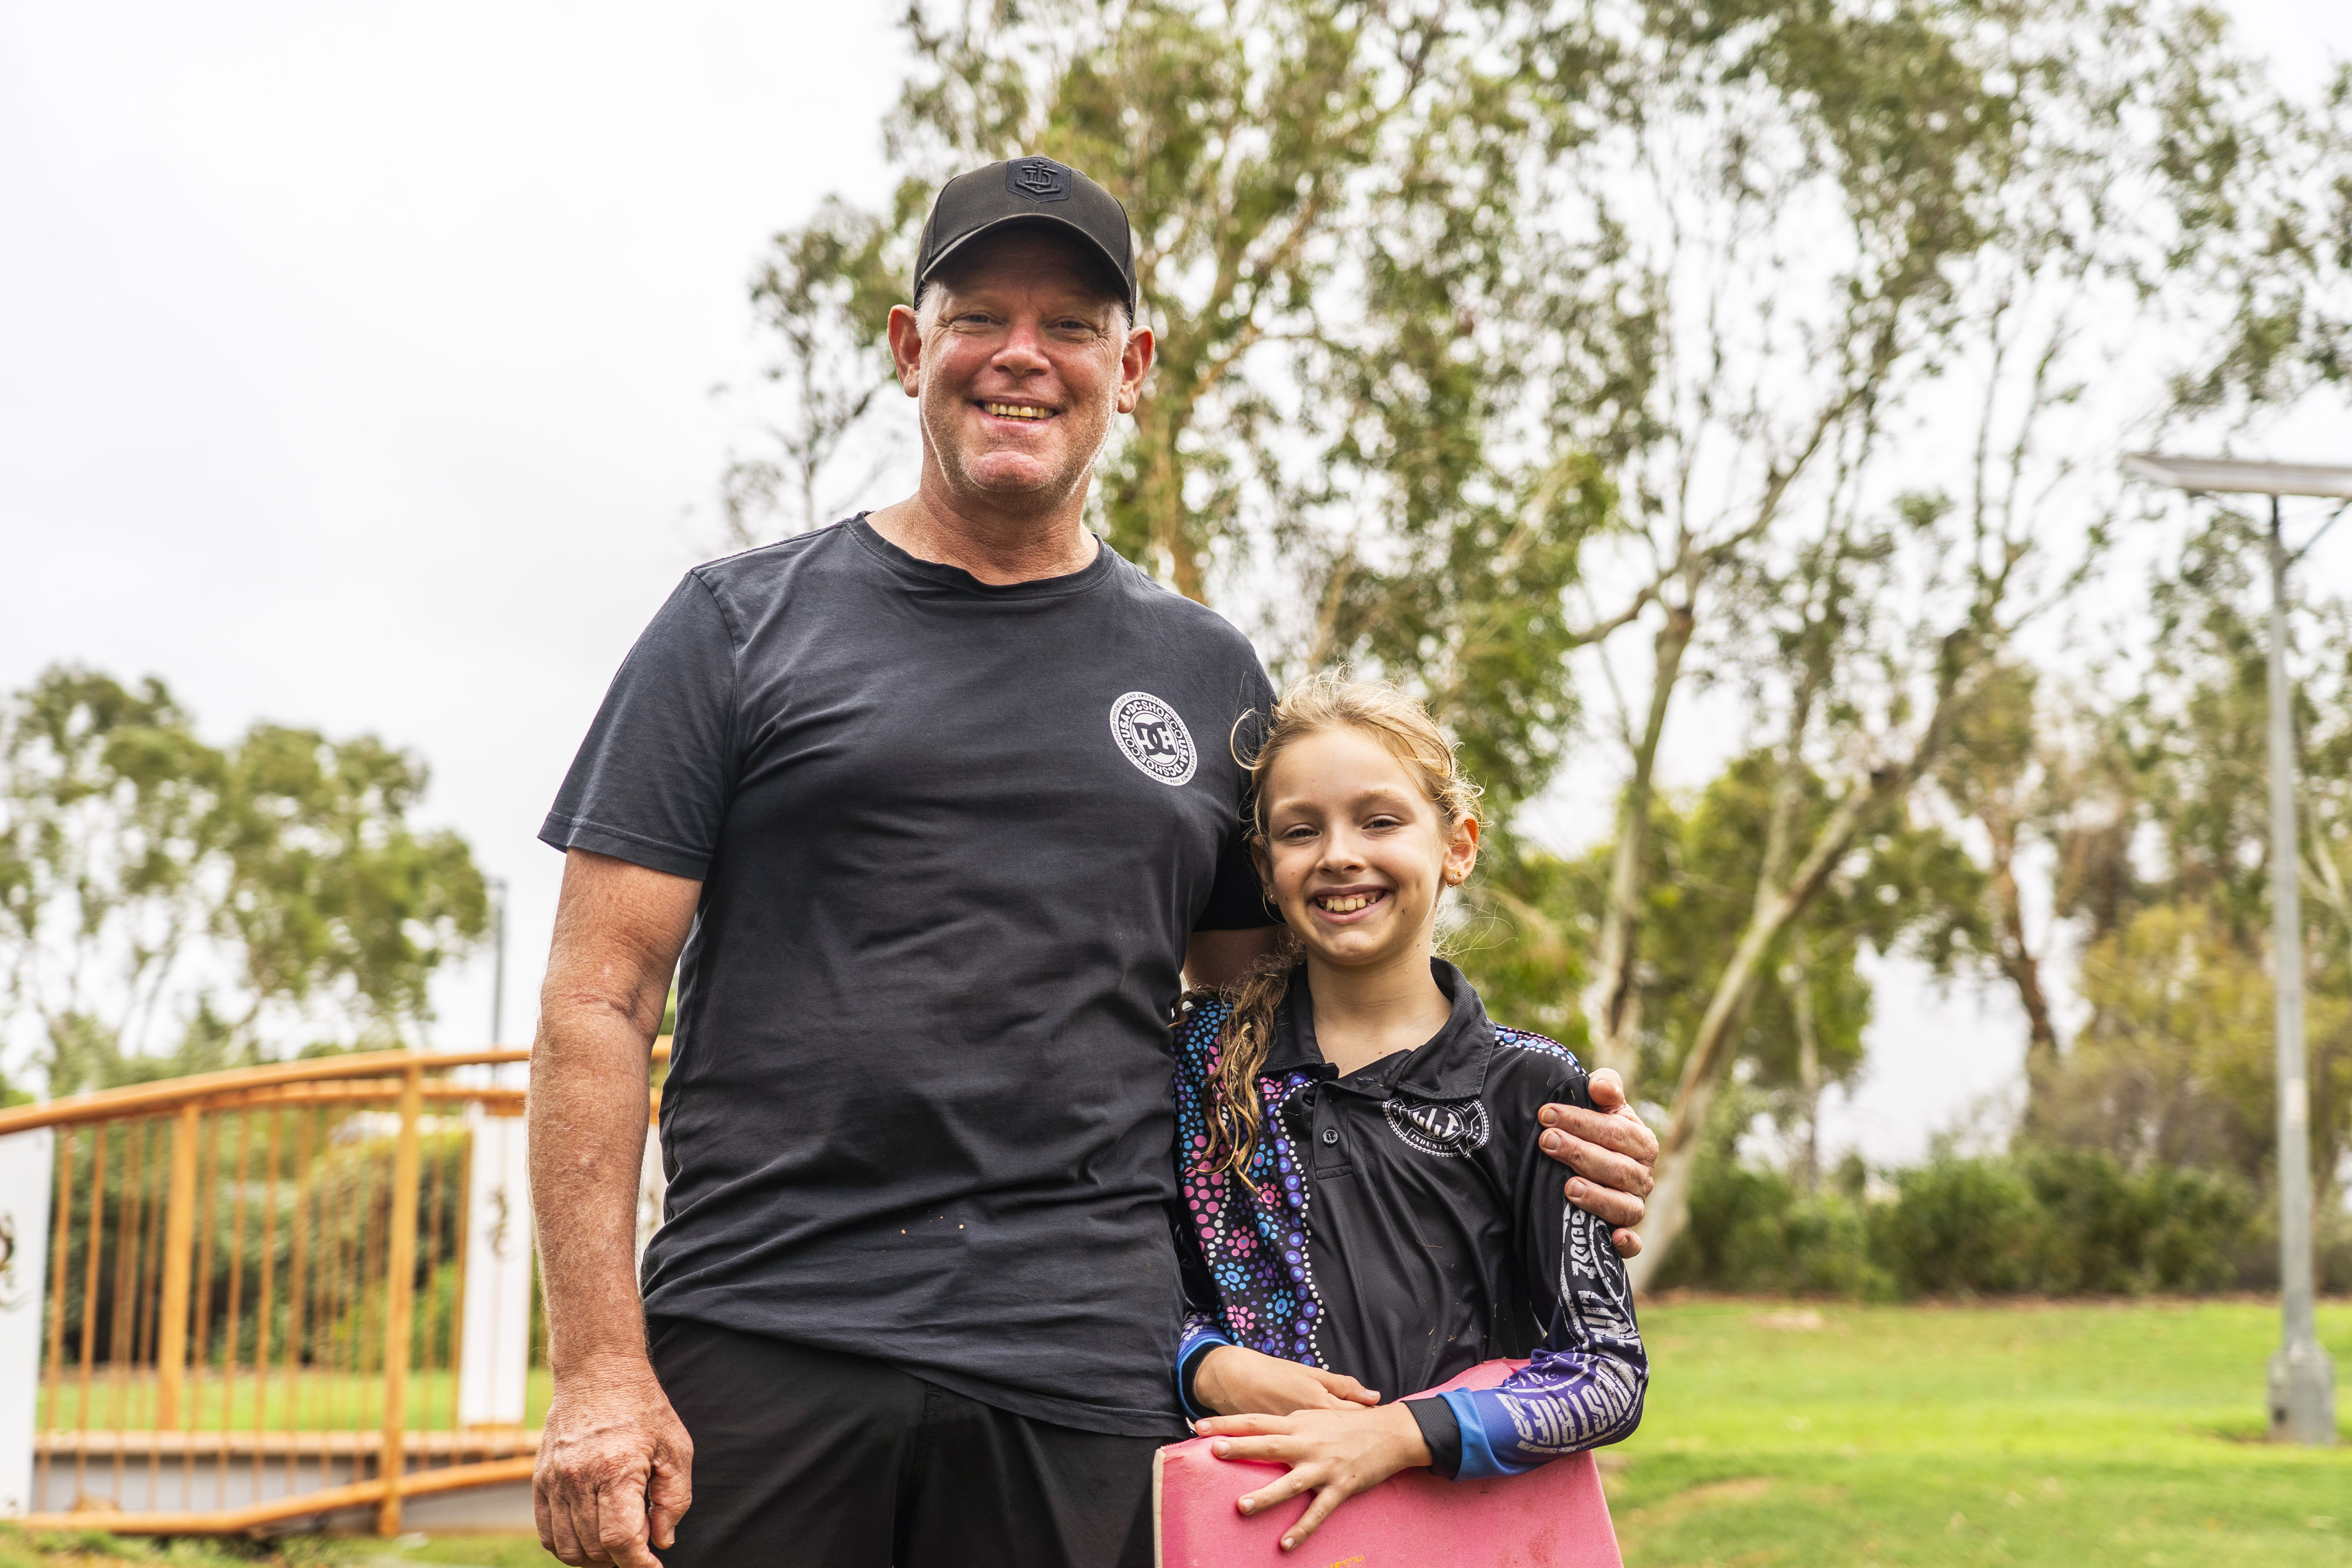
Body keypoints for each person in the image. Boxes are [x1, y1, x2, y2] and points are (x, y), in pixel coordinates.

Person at [526, 154, 1659, 1568]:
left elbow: (1284, 1029)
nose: (1021, 354)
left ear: (1128, 368)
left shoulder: (1203, 671)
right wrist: (596, 1373)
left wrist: (1534, 1134)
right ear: (906, 348)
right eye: (977, 316)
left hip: (1085, 1370)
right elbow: (597, 1000)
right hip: (766, 1328)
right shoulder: (734, 626)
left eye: (1069, 325)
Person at [1171, 676, 1646, 1552]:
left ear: (1457, 845)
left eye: (1381, 821)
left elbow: (1606, 1372)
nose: (1340, 854)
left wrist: (1398, 1434)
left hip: (1462, 1536)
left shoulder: (1530, 1087)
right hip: (1249, 1528)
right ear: (1266, 872)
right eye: (1300, 830)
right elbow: (1130, 1288)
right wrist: (1209, 1365)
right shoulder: (1200, 1066)